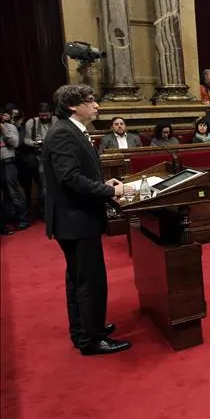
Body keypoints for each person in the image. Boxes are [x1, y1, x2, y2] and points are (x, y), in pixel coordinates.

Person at [43, 83, 134, 355]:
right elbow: (69, 179)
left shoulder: (71, 131)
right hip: (75, 220)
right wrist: (110, 190)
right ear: (73, 106)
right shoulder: (63, 133)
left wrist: (105, 183)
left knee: (79, 278)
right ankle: (91, 339)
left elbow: (79, 172)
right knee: (89, 280)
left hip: (77, 218)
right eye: (91, 100)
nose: (97, 105)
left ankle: (85, 330)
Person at [1, 108, 29, 231]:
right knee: (3, 195)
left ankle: (23, 218)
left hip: (8, 162)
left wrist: (3, 131)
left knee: (14, 191)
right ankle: (8, 218)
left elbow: (15, 143)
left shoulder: (9, 127)